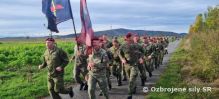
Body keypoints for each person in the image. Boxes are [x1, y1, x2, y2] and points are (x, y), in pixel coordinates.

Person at [119, 33, 144, 99]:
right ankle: (134, 86)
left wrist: (141, 58)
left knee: (132, 79)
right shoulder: (123, 45)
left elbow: (142, 52)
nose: (133, 38)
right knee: (130, 78)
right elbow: (120, 53)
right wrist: (122, 59)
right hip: (127, 65)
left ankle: (129, 94)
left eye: (133, 36)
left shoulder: (137, 45)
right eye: (131, 37)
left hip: (134, 65)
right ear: (128, 38)